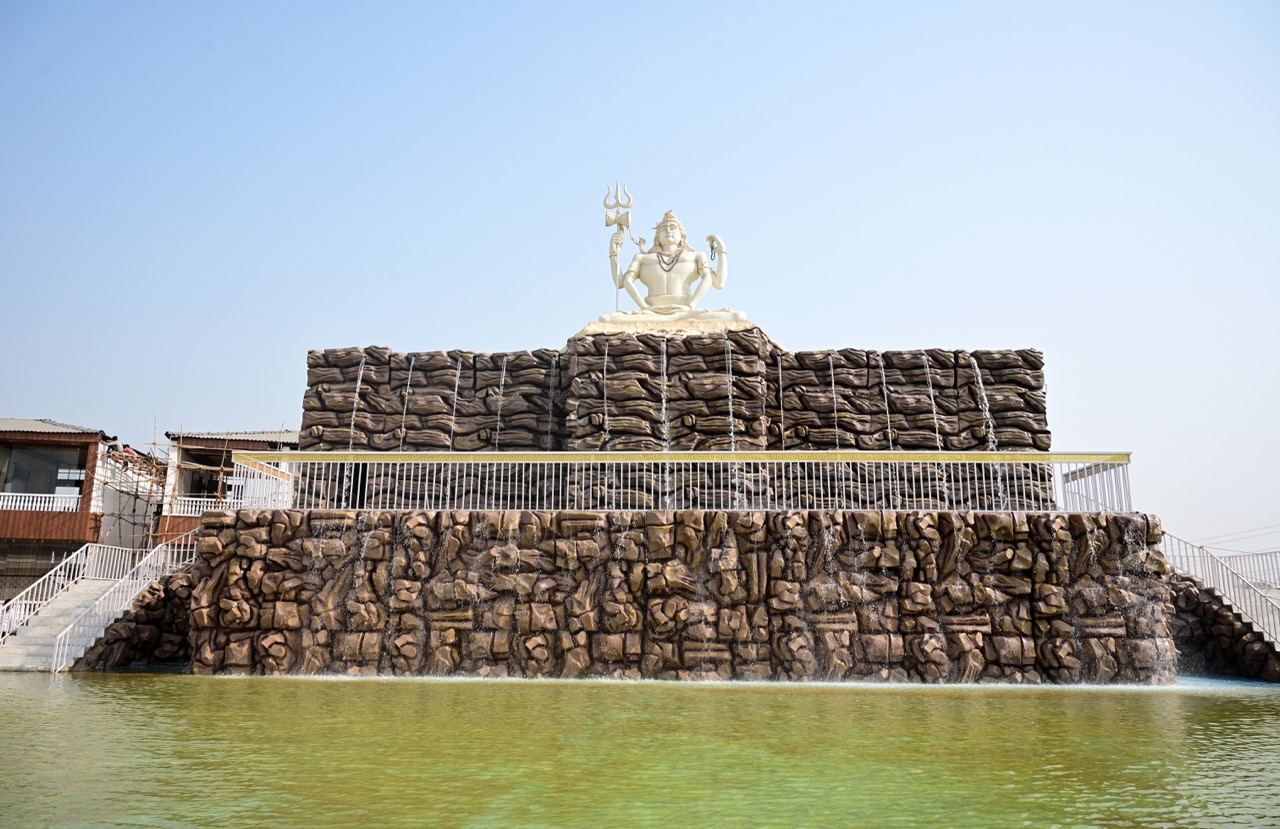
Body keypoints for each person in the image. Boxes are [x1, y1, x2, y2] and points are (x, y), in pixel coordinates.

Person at [600, 210, 746, 322]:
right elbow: (621, 282)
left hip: (686, 312)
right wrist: (614, 253)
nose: (668, 230)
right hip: (650, 314)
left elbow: (718, 283)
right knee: (606, 320)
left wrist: (722, 252)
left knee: (738, 317)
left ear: (681, 235)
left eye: (672, 227)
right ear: (657, 237)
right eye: (664, 229)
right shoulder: (642, 258)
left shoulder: (696, 256)